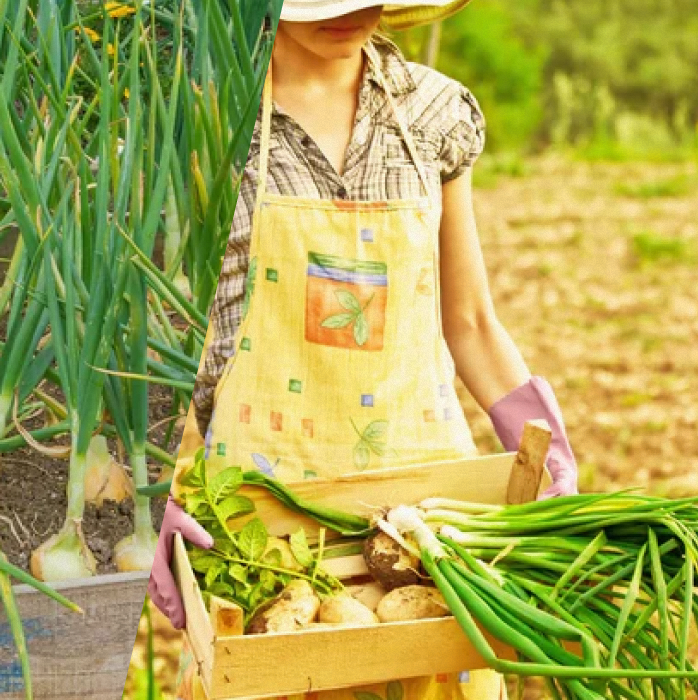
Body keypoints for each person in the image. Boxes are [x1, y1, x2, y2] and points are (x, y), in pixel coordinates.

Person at [148, 1, 580, 698]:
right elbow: (153, 336)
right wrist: (143, 494)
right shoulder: (199, 123)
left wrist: (544, 448)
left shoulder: (436, 113)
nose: (355, 12)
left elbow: (466, 319)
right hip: (264, 523)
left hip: (424, 525)